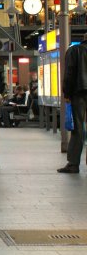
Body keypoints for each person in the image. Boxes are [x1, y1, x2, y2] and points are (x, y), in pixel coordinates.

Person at [58, 37, 87, 173]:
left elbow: (69, 72)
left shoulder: (75, 50)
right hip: (80, 91)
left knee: (78, 128)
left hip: (79, 92)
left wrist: (67, 93)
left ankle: (73, 164)